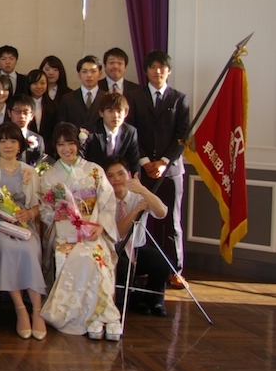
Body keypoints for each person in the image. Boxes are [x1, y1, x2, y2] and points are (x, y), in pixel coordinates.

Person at [39, 122, 121, 341]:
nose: (67, 149)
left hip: (92, 230)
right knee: (80, 256)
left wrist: (100, 226)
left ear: (78, 144)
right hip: (65, 233)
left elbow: (107, 204)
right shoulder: (49, 176)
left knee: (96, 258)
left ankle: (103, 314)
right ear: (55, 147)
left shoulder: (94, 170)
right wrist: (57, 214)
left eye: (70, 143)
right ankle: (89, 317)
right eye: (61, 145)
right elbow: (44, 211)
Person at [0, 123, 46, 340]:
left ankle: (37, 311)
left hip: (23, 224)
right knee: (6, 248)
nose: (8, 145)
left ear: (20, 145)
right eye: (3, 141)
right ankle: (20, 308)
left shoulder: (29, 171)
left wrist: (29, 214)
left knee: (29, 249)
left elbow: (39, 205)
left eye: (13, 141)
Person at [125, 50, 191, 279]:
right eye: (152, 67)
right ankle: (136, 267)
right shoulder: (134, 96)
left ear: (169, 71)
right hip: (141, 171)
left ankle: (175, 270)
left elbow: (183, 137)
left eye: (162, 67)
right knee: (137, 218)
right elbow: (130, 132)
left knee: (172, 222)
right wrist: (144, 162)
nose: (157, 71)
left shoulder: (179, 98)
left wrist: (163, 162)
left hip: (170, 172)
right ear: (146, 71)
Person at [103, 155, 169, 317]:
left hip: (137, 248)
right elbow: (118, 234)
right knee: (123, 266)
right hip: (114, 250)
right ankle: (133, 300)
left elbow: (162, 212)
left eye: (120, 174)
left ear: (129, 174)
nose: (116, 179)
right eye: (110, 176)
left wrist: (143, 190)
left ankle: (154, 300)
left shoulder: (138, 194)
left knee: (160, 262)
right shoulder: (104, 200)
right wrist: (135, 211)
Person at [84, 92, 141, 175]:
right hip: (93, 176)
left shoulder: (130, 132)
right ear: (101, 113)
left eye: (119, 111)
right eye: (110, 111)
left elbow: (134, 162)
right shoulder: (89, 131)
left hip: (118, 178)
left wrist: (135, 179)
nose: (115, 115)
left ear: (126, 113)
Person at [56, 55, 105, 129]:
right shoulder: (67, 99)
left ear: (100, 74)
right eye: (84, 72)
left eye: (93, 71)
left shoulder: (107, 98)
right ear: (79, 75)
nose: (89, 75)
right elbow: (62, 126)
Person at [7, 94, 45, 167]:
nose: (22, 116)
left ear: (32, 116)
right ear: (9, 113)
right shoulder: (1, 137)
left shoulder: (38, 139)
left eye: (26, 112)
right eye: (17, 111)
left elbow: (40, 165)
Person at [26, 69, 57, 142]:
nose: (39, 86)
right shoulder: (22, 105)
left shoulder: (54, 105)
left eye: (42, 83)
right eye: (35, 83)